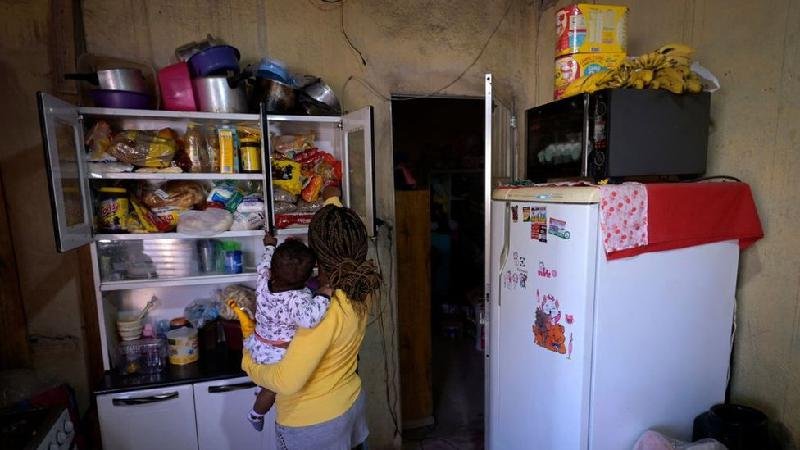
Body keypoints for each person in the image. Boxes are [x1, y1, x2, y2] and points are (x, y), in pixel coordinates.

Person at [242, 199, 381, 450]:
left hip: (314, 421)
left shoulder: (321, 317)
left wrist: (248, 362)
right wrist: (331, 200)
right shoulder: (362, 288)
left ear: (317, 255)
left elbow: (286, 382)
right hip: (350, 401)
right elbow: (340, 232)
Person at [244, 234, 333, 431]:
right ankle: (256, 414)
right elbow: (309, 319)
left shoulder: (263, 278)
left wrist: (269, 246)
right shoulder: (297, 299)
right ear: (308, 277)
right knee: (273, 388)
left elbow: (264, 262)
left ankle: (260, 387)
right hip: (277, 353)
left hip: (258, 344)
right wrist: (324, 295)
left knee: (264, 379)